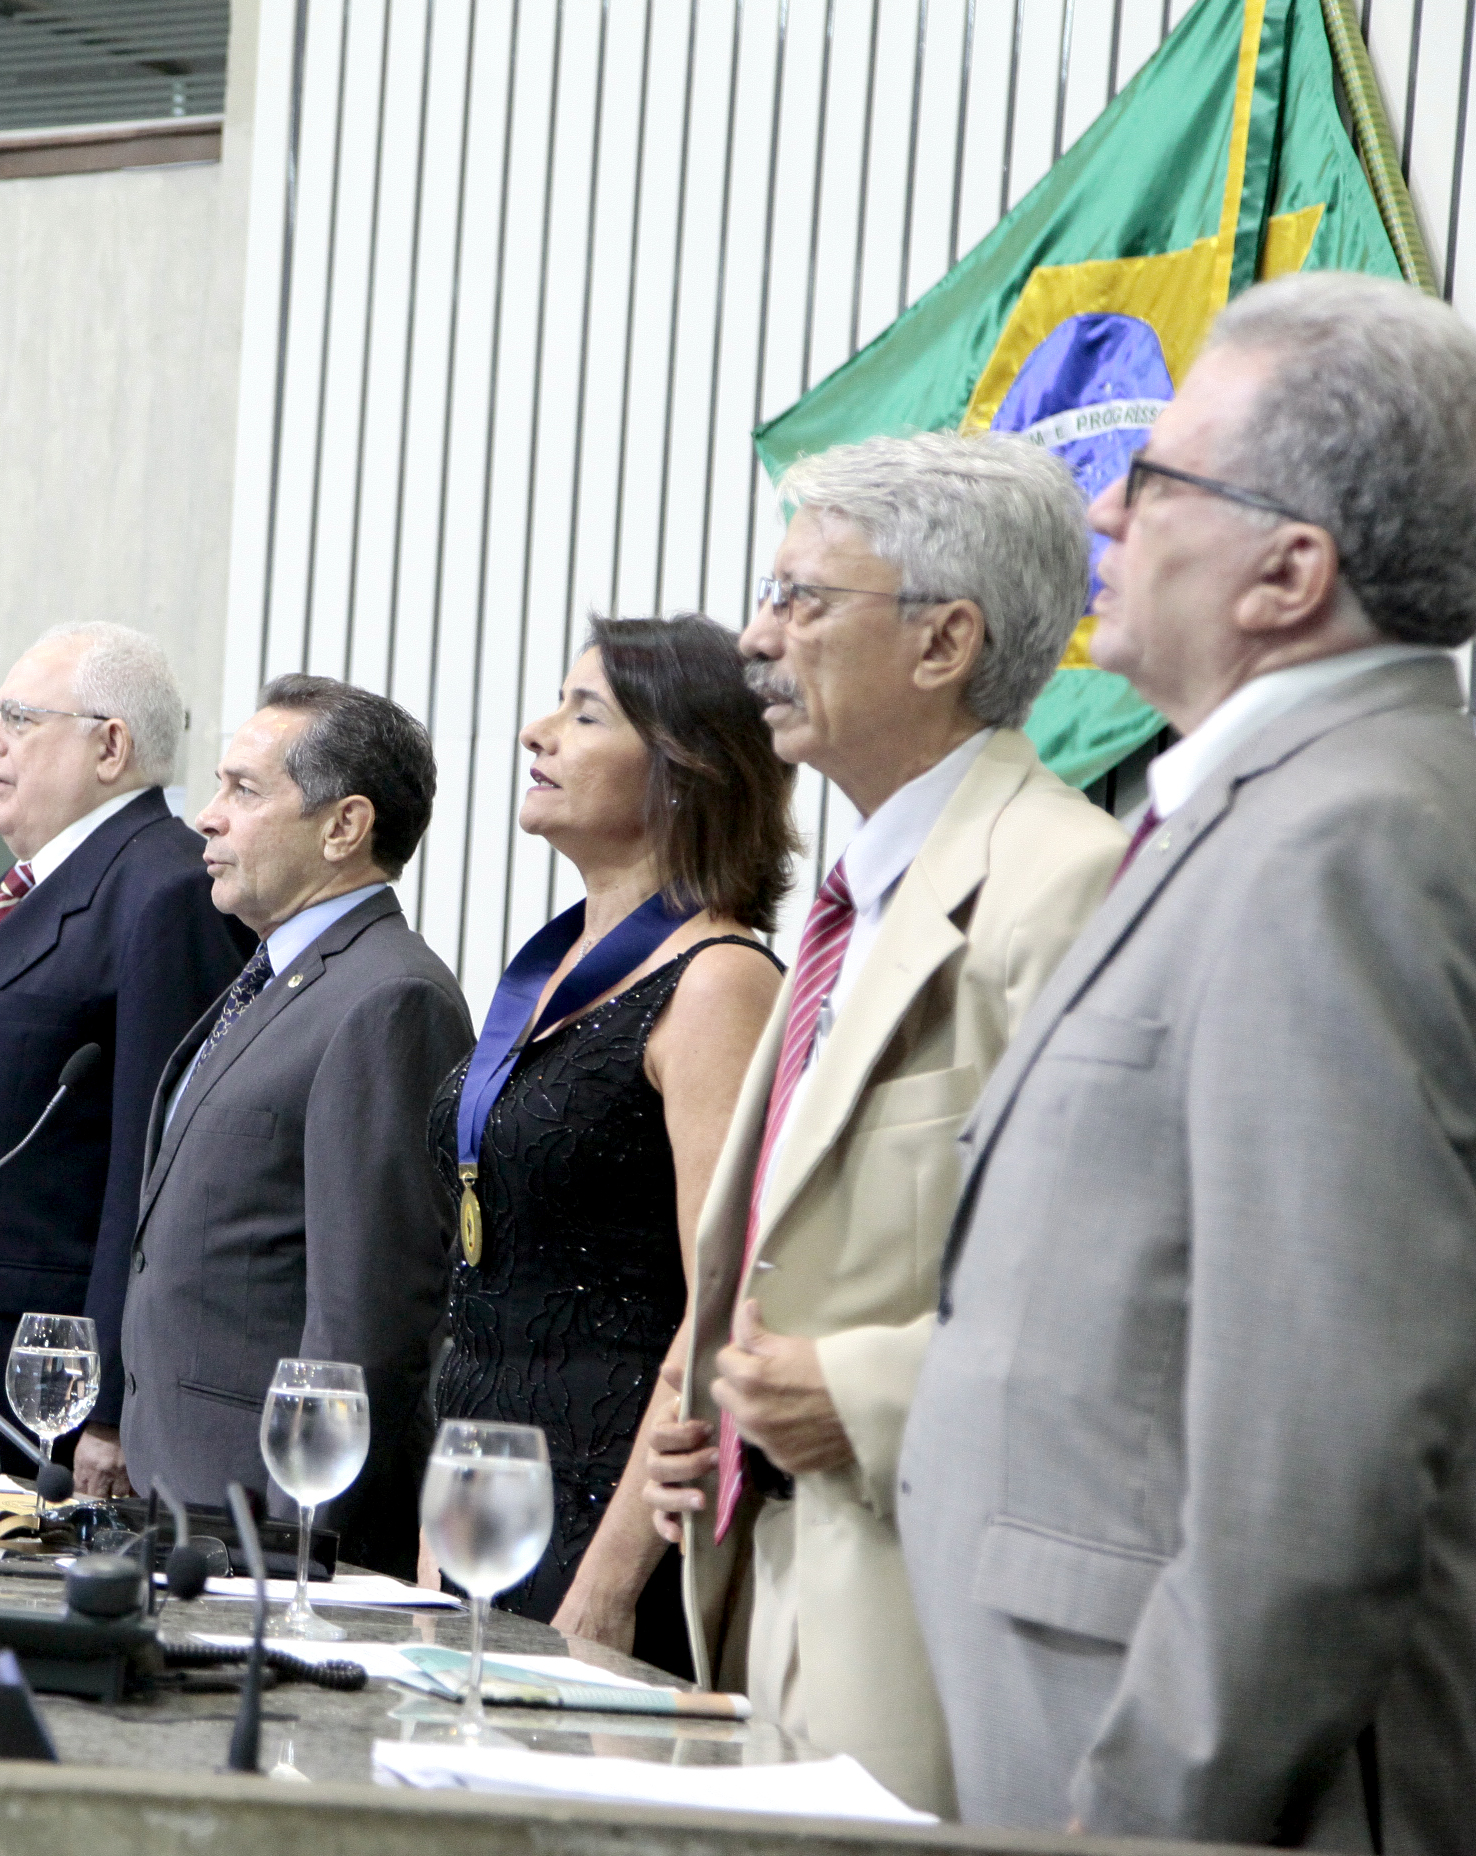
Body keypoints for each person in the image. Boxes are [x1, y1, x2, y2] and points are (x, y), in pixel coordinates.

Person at [896, 273, 1476, 1846]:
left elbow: (1318, 1461)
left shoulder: (1353, 843)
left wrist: (1152, 1810)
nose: (1103, 506)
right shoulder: (1268, 811)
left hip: (1198, 1787)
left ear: (1289, 571)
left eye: (1155, 477)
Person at [632, 433, 1126, 1815]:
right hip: (760, 1579)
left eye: (800, 599)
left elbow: (1120, 1289)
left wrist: (858, 1390)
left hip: (923, 1614)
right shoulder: (858, 899)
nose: (755, 637)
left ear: (943, 641)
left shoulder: (1067, 885)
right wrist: (716, 1417)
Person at [424, 615, 793, 1676]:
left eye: (585, 714)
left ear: (685, 768)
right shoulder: (549, 972)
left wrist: (611, 1582)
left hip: (606, 1524)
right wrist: (439, 1532)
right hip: (483, 1506)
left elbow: (718, 1301)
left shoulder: (718, 981)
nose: (536, 732)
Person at [0, 623, 252, 1470]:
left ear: (110, 746)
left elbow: (155, 1172)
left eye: (18, 717)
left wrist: (108, 1408)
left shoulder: (169, 891)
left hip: (41, 1396)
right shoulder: (31, 884)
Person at [119, 677, 473, 1578]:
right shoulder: (274, 977)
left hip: (275, 1527)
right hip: (189, 1492)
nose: (207, 817)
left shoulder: (389, 997)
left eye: (243, 790)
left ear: (344, 826)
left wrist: (299, 1532)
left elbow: (369, 1317)